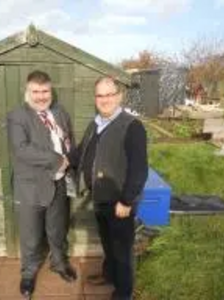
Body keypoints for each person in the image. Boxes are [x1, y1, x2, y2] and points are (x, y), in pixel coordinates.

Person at [69, 76, 148, 300]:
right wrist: (65, 161)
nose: (105, 100)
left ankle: (123, 294)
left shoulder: (132, 126)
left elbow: (139, 168)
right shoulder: (95, 123)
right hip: (100, 198)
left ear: (119, 96)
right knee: (108, 243)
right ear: (95, 98)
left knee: (122, 251)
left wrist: (127, 200)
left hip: (120, 202)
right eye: (100, 95)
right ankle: (109, 275)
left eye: (109, 94)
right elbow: (81, 151)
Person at [6, 70, 77, 299]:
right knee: (31, 235)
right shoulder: (17, 116)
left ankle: (59, 263)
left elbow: (68, 140)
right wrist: (57, 160)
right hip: (31, 187)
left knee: (57, 229)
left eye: (44, 91)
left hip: (59, 184)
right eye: (35, 92)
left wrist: (71, 161)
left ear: (51, 90)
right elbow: (22, 149)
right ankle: (28, 274)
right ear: (28, 91)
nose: (40, 96)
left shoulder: (60, 112)